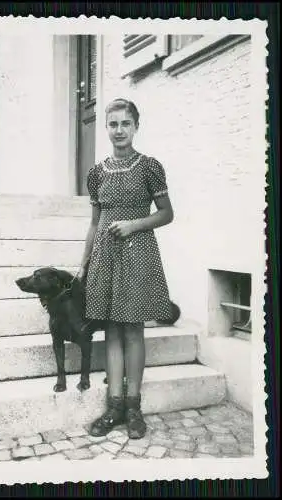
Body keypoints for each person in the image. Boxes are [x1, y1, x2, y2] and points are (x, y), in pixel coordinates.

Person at [77, 98, 175, 439]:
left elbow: (166, 213)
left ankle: (134, 406)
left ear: (136, 126)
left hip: (138, 254)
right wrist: (84, 263)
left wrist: (134, 225)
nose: (119, 130)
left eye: (125, 123)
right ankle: (114, 406)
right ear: (106, 128)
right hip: (105, 256)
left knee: (133, 330)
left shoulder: (149, 167)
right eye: (113, 124)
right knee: (112, 332)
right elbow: (95, 223)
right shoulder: (97, 173)